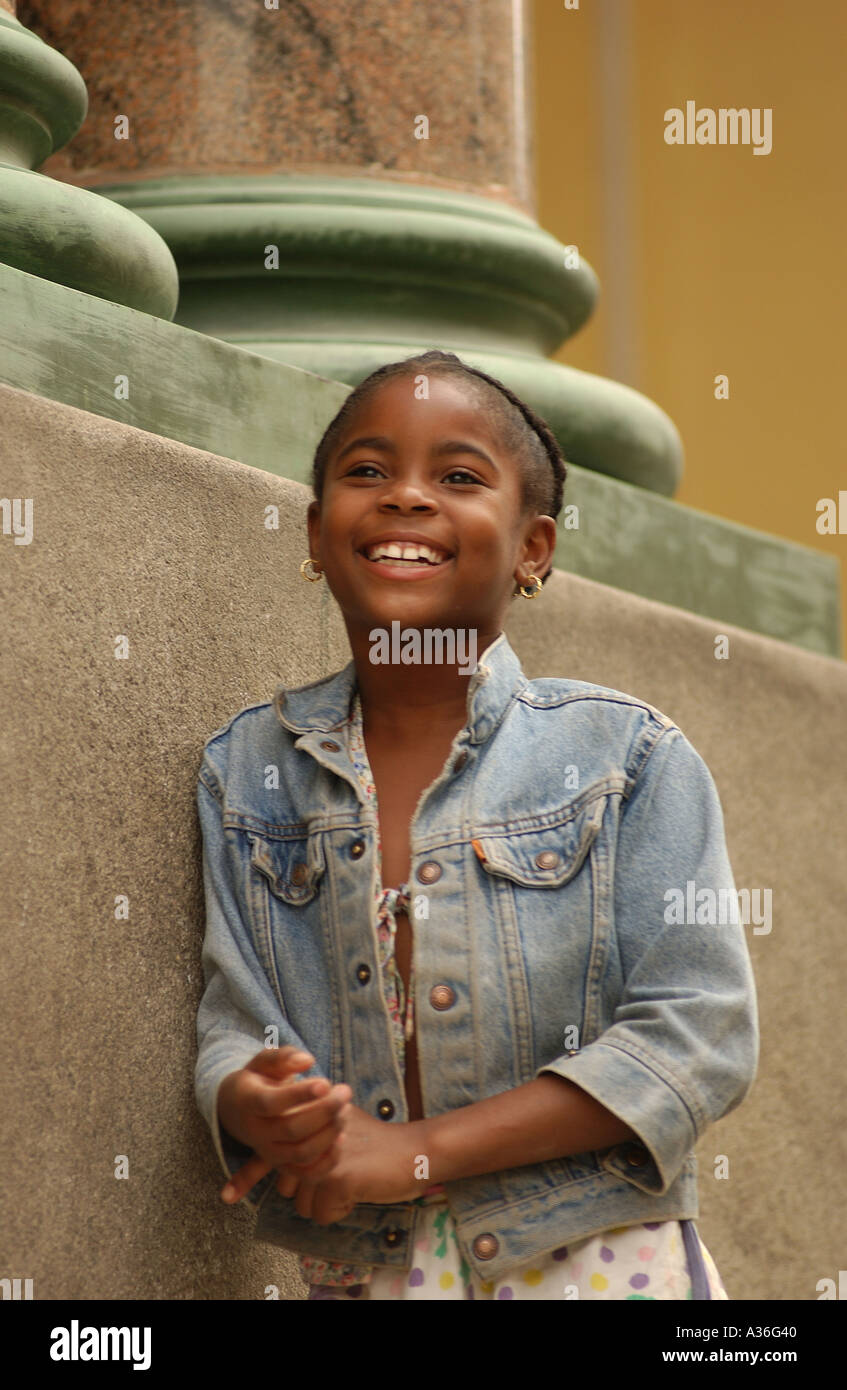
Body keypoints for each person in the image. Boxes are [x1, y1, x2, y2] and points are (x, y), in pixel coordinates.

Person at [194, 349, 759, 1300]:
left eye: (457, 477)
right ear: (315, 531)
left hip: (594, 1261)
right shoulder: (248, 771)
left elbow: (696, 1035)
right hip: (365, 1271)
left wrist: (412, 1153)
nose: (405, 498)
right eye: (366, 472)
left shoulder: (626, 757)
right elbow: (233, 1015)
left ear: (532, 548)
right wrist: (251, 1099)